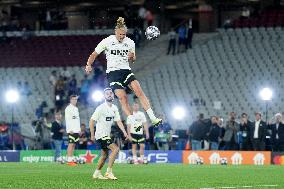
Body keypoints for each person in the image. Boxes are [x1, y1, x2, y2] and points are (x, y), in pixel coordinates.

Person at [85, 17, 162, 128]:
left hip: (126, 71)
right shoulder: (107, 41)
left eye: (124, 35)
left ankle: (153, 118)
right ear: (115, 32)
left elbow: (133, 59)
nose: (122, 37)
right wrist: (88, 65)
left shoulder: (130, 42)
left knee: (139, 92)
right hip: (113, 73)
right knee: (123, 98)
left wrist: (132, 57)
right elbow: (94, 54)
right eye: (120, 34)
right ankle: (134, 122)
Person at [89, 88, 128, 180]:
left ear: (113, 95)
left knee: (104, 155)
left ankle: (96, 173)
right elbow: (91, 121)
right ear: (104, 96)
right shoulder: (101, 108)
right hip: (100, 134)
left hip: (106, 134)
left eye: (111, 93)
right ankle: (108, 172)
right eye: (107, 93)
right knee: (116, 149)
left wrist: (124, 132)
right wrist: (92, 134)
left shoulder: (114, 108)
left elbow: (118, 121)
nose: (110, 94)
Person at [65, 95, 81, 166]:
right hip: (71, 130)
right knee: (70, 144)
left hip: (76, 130)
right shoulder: (68, 108)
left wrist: (79, 129)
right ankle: (69, 160)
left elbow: (77, 120)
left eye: (76, 99)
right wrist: (69, 129)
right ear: (70, 100)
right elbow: (67, 119)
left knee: (74, 145)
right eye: (73, 99)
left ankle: (71, 159)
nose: (75, 101)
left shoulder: (76, 108)